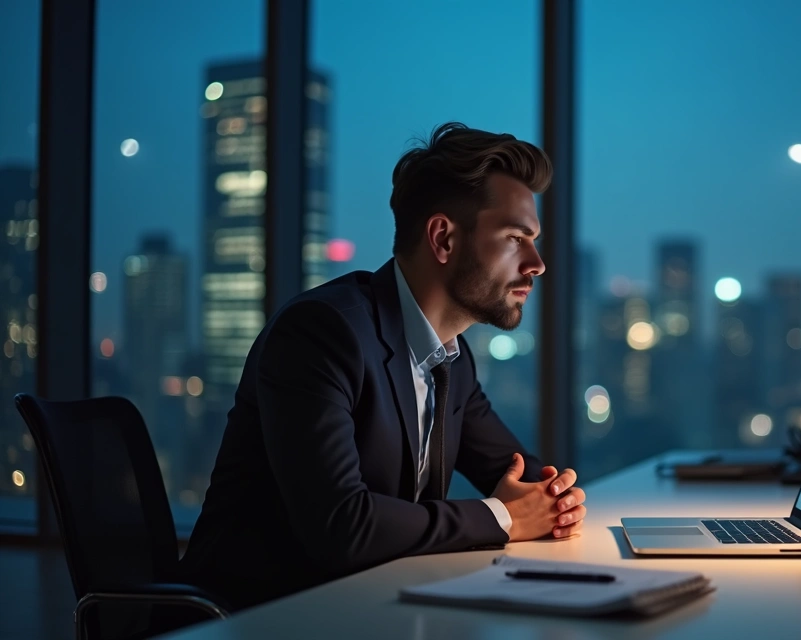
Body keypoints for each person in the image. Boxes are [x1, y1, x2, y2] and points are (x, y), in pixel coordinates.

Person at [181, 122, 586, 610]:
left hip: (371, 607)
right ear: (443, 239)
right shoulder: (322, 334)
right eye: (515, 238)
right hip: (258, 617)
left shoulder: (452, 357)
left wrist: (552, 500)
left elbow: (525, 482)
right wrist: (503, 516)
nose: (537, 263)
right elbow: (341, 527)